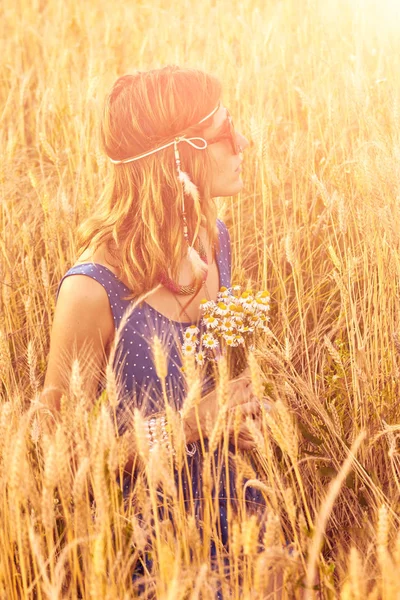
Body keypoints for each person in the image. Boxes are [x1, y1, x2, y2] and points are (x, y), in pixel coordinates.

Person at [42, 66, 267, 588]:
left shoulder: (215, 238)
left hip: (242, 521)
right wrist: (189, 425)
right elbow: (59, 464)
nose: (244, 142)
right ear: (178, 156)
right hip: (157, 555)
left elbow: (213, 396)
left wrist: (246, 413)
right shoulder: (92, 291)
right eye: (225, 133)